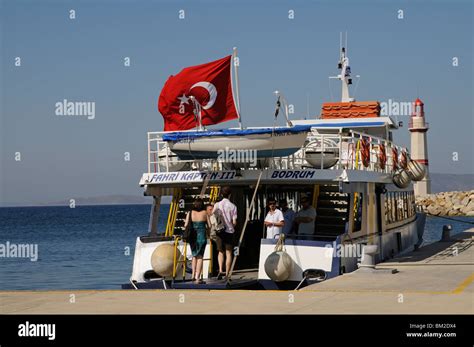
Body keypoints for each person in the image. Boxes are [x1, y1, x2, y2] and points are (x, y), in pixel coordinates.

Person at [212, 186, 237, 280]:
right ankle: (227, 274)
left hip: (219, 231)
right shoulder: (233, 206)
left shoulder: (217, 204)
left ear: (221, 194)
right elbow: (234, 222)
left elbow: (213, 216)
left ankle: (220, 270)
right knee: (229, 253)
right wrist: (232, 226)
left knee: (220, 252)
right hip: (229, 231)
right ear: (230, 195)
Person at [184, 198, 210, 284]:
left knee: (194, 255)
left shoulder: (190, 213)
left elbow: (186, 224)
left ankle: (192, 276)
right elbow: (209, 225)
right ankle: (197, 277)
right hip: (202, 236)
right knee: (200, 257)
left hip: (193, 237)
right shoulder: (205, 213)